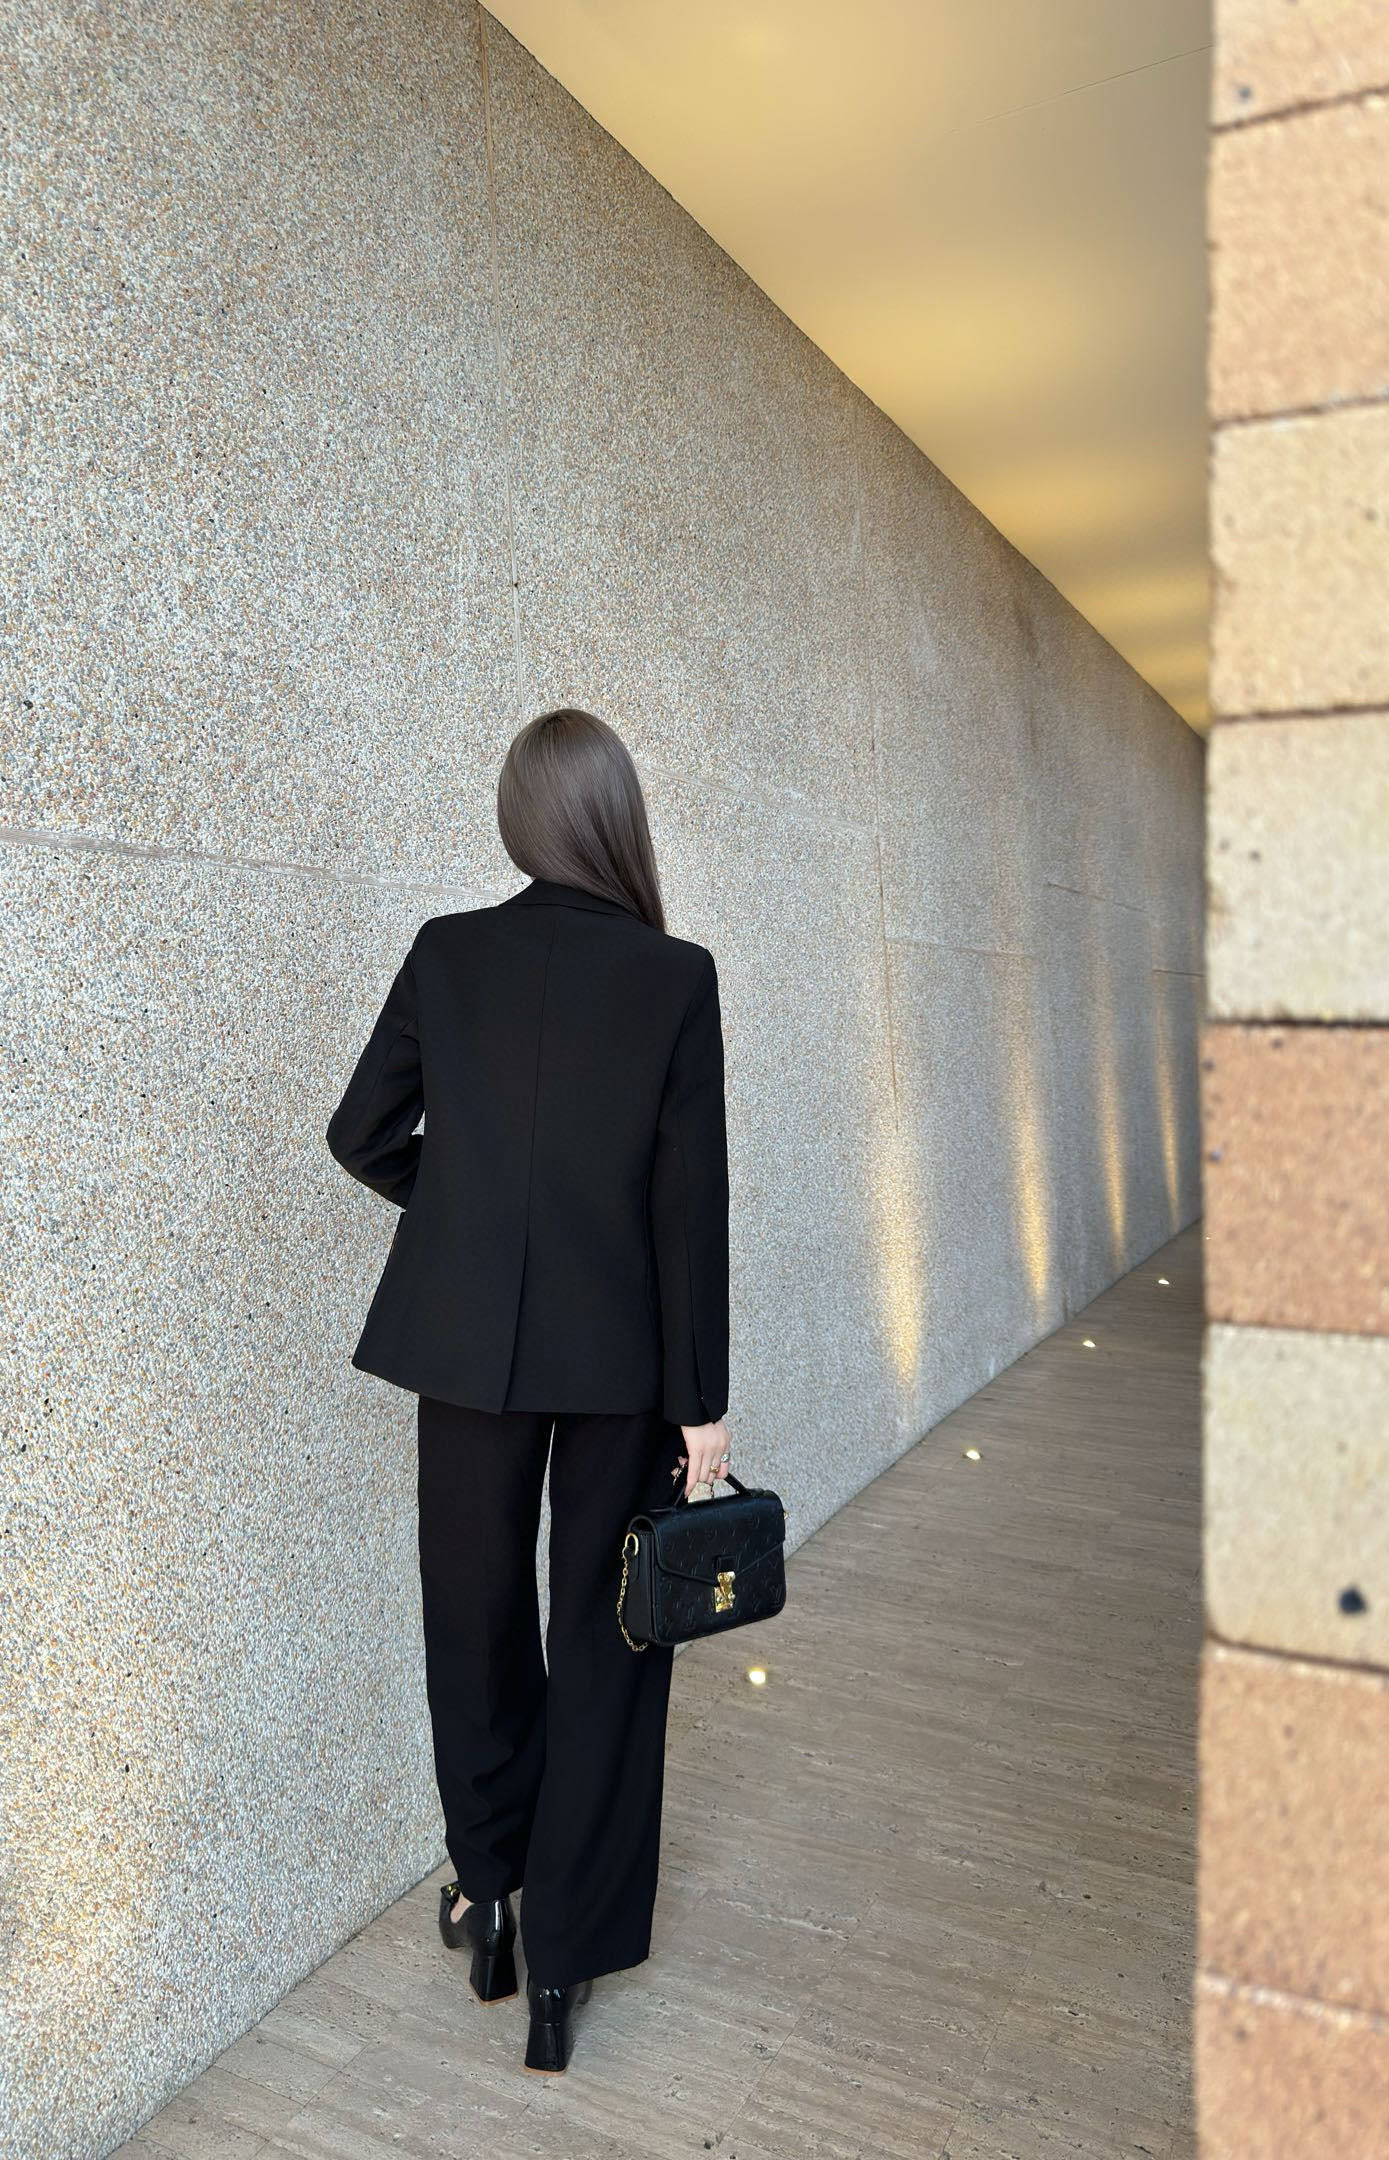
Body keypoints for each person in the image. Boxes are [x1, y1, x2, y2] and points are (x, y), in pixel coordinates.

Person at [324, 707, 731, 2075]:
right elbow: (688, 1213)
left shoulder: (450, 953)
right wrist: (702, 1407)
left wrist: (467, 1218)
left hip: (468, 1353)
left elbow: (362, 1132)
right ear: (617, 820)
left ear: (520, 819)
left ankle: (488, 1894)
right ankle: (564, 1962)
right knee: (610, 1638)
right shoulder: (675, 978)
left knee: (477, 1617)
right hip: (623, 1363)